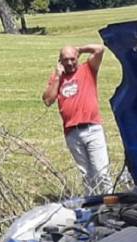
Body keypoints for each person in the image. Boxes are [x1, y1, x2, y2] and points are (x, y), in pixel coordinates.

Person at [42, 44, 109, 196]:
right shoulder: (57, 78)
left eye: (72, 59)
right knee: (87, 175)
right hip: (72, 132)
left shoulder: (88, 69)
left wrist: (80, 49)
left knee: (101, 172)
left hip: (92, 128)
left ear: (77, 58)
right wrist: (58, 77)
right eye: (65, 60)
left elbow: (100, 49)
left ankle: (109, 203)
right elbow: (47, 100)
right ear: (60, 62)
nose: (70, 63)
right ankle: (92, 203)